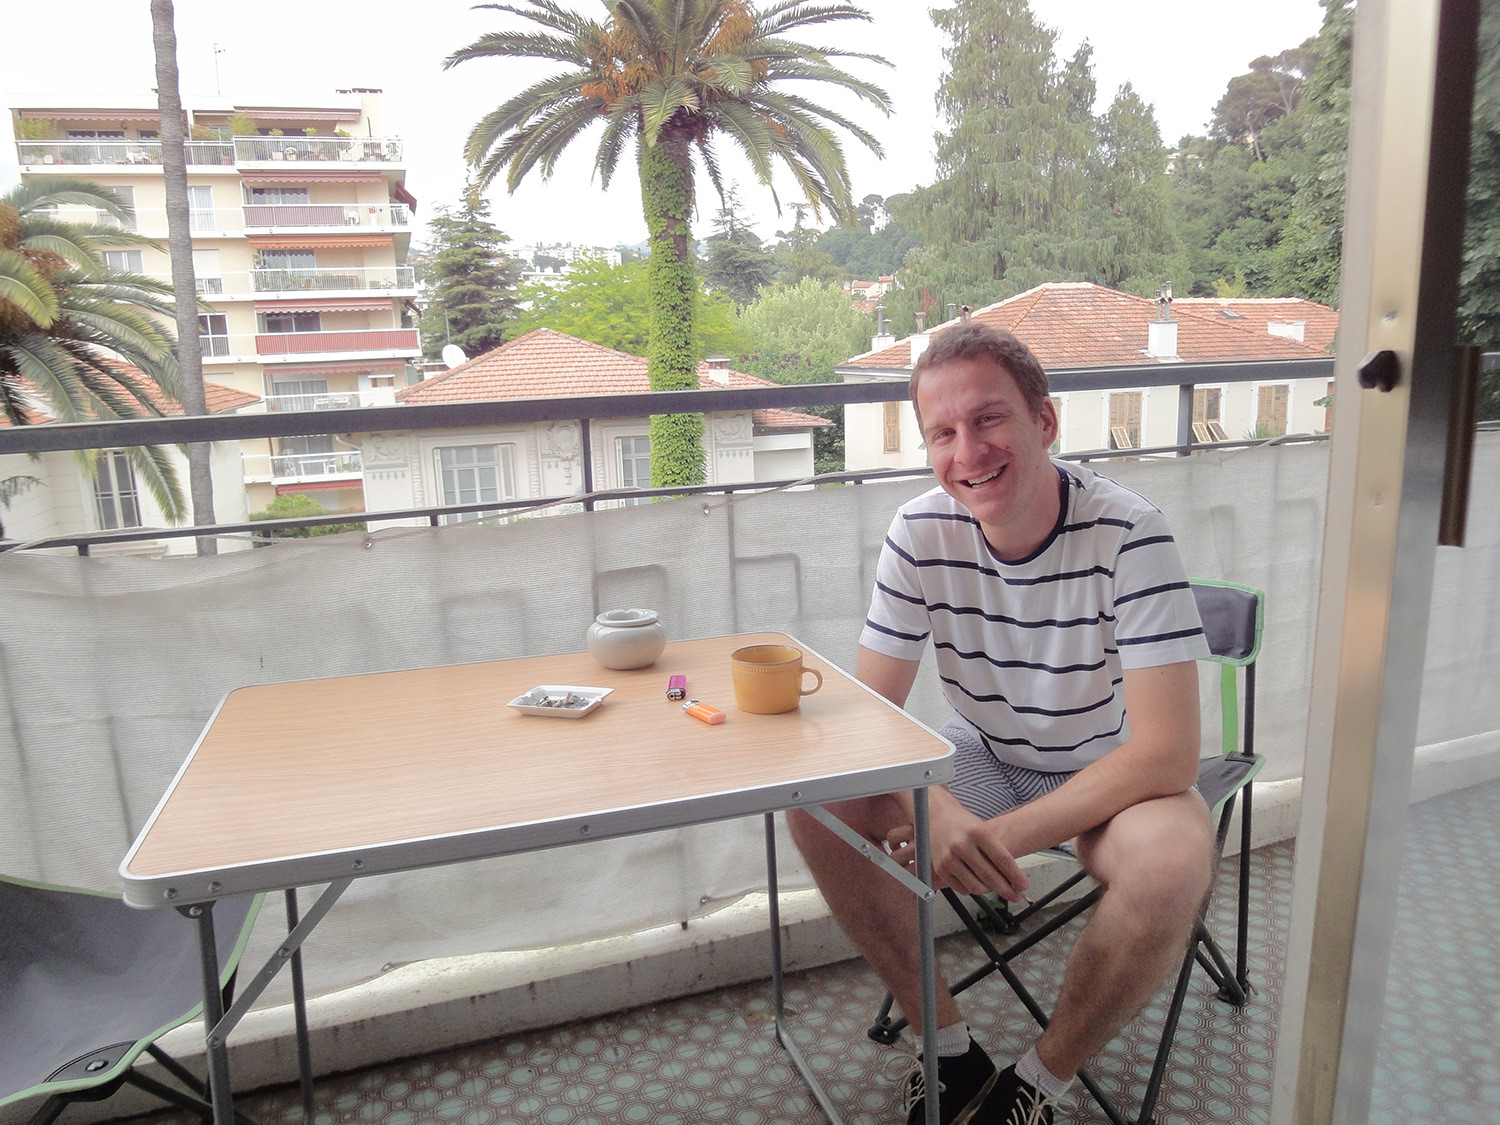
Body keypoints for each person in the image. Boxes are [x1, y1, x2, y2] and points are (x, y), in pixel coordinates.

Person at [787, 322, 1214, 1125]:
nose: (968, 451)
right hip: (982, 753)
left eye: (988, 419)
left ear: (1043, 421)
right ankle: (947, 1051)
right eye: (942, 432)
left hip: (1106, 773)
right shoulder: (920, 531)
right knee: (818, 803)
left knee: (1175, 858)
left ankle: (1037, 1084)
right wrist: (939, 807)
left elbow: (1168, 754)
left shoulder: (1129, 531)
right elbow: (871, 716)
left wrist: (997, 836)